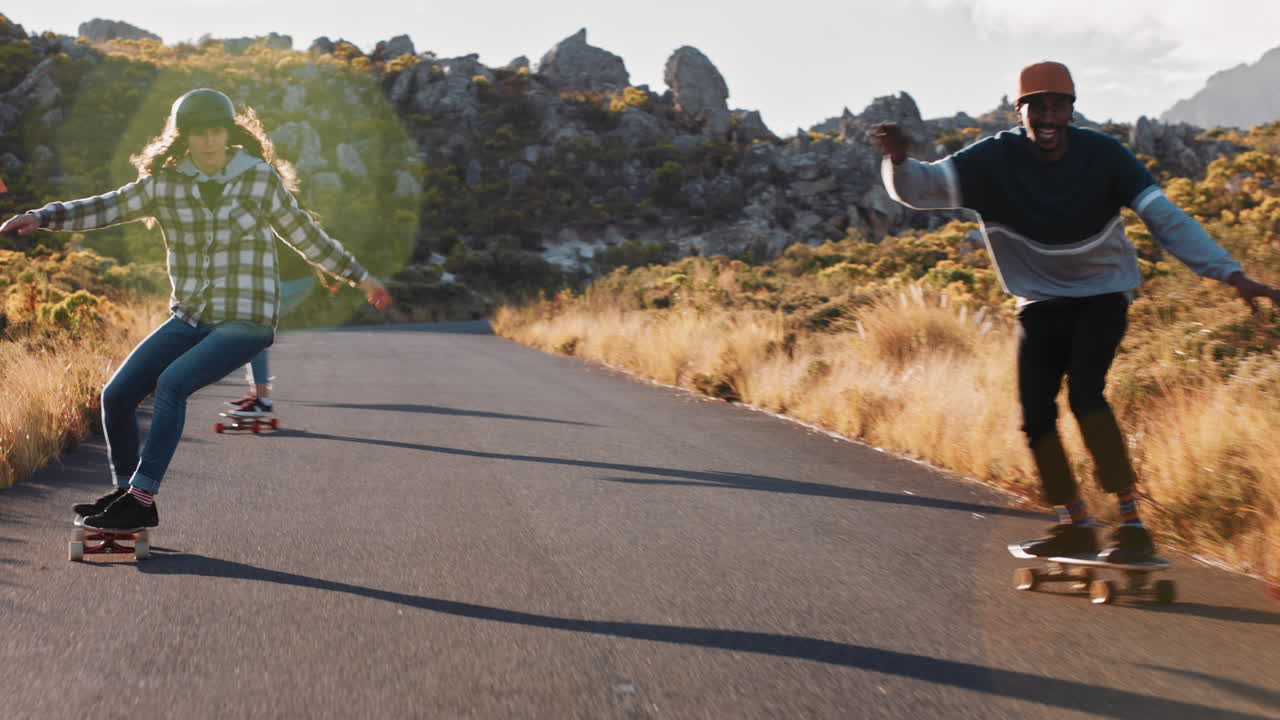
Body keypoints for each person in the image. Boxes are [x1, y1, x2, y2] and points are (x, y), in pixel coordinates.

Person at [871, 61, 1280, 563]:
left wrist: (1230, 274)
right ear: (1017, 109)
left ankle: (1131, 524)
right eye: (1035, 105)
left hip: (1104, 293)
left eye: (1057, 105)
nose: (1047, 115)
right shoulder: (992, 159)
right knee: (1035, 414)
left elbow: (1165, 219)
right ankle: (1074, 524)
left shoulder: (1105, 155)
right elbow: (921, 188)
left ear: (1071, 108)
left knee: (1087, 394)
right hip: (1039, 301)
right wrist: (898, 160)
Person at [0, 88, 392, 530]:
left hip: (247, 317)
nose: (210, 141)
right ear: (183, 137)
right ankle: (126, 491)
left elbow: (305, 234)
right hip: (191, 316)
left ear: (229, 132)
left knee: (172, 383)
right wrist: (43, 216)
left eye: (217, 131)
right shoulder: (165, 184)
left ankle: (143, 499)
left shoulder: (258, 179)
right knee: (117, 395)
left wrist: (359, 276)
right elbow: (108, 206)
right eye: (200, 133)